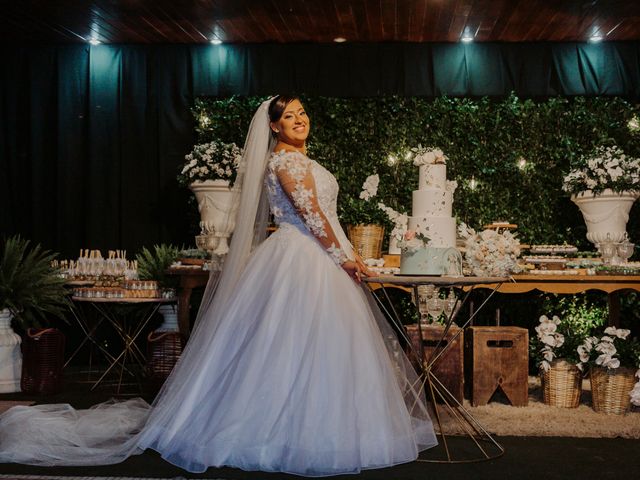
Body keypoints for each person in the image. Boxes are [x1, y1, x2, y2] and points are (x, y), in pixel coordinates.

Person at [0, 96, 436, 476]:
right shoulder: (284, 160)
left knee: (326, 346)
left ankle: (337, 426)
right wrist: (343, 258)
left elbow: (326, 216)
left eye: (303, 113)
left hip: (318, 254)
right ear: (274, 126)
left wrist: (346, 254)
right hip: (303, 258)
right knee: (285, 345)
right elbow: (311, 216)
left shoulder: (303, 159)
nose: (300, 120)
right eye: (290, 116)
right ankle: (279, 431)